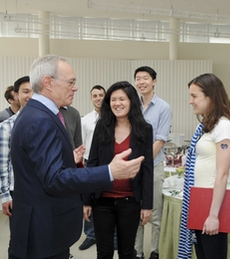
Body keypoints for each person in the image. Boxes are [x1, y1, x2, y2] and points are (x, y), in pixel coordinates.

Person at [9, 55, 145, 259]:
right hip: (43, 231)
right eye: (71, 82)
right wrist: (110, 171)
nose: (75, 88)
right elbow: (54, 180)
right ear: (48, 82)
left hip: (42, 226)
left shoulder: (38, 114)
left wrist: (67, 159)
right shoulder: (41, 120)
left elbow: (39, 167)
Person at [83, 81, 153, 259]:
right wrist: (86, 201)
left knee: (127, 251)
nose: (117, 103)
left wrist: (147, 205)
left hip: (130, 201)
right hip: (102, 201)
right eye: (113, 99)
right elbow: (92, 164)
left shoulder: (144, 129)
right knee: (104, 252)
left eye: (122, 99)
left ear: (131, 101)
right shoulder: (102, 127)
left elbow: (147, 169)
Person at [177, 73, 230, 259]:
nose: (190, 101)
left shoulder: (223, 127)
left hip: (212, 203)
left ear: (210, 97)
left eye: (195, 96)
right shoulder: (205, 126)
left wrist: (213, 215)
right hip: (199, 200)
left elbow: (222, 173)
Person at [134, 66, 172, 259]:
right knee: (135, 212)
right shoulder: (133, 106)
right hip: (133, 168)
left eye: (145, 78)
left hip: (154, 166)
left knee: (155, 212)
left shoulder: (164, 107)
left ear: (154, 81)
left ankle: (155, 251)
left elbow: (160, 139)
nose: (141, 82)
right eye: (138, 78)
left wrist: (144, 163)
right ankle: (138, 252)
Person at [0, 76, 32, 219]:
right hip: (18, 190)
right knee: (19, 237)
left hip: (44, 190)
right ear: (17, 95)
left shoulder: (49, 123)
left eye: (34, 91)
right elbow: (3, 163)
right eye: (26, 91)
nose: (30, 95)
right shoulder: (7, 126)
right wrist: (5, 195)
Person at [79, 84, 106, 251]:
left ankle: (113, 235)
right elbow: (81, 144)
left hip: (108, 163)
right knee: (88, 199)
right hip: (90, 163)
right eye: (95, 95)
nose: (98, 98)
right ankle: (90, 235)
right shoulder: (85, 120)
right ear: (91, 98)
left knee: (107, 198)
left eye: (101, 95)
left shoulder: (113, 118)